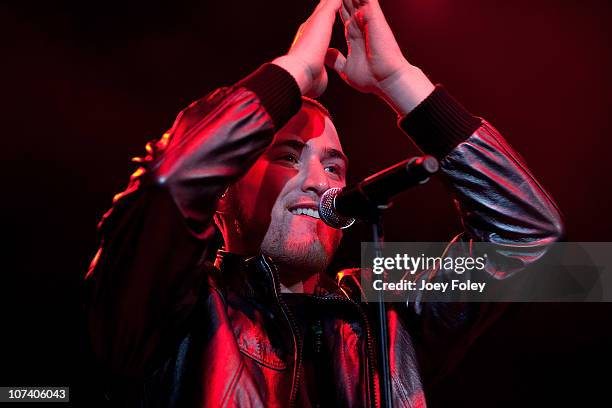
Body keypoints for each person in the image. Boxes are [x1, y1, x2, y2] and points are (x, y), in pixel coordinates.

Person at [84, 0, 564, 406]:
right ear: (225, 185)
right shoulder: (170, 304)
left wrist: (399, 80)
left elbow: (528, 235)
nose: (317, 182)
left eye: (333, 167)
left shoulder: (389, 319)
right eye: (287, 157)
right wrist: (293, 73)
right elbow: (169, 182)